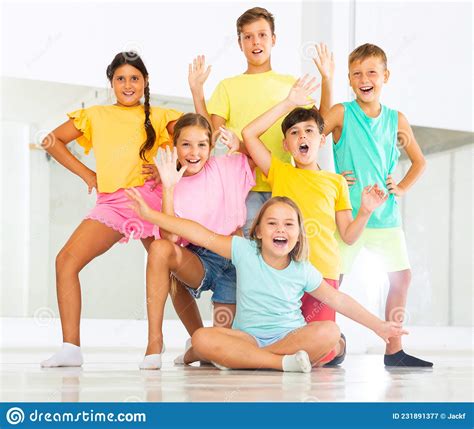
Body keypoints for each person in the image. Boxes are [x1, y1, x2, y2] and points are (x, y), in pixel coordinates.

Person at [126, 191, 407, 373]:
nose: (280, 229)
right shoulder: (244, 251)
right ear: (258, 231)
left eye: (289, 224)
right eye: (272, 223)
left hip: (289, 337)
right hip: (247, 336)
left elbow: (339, 300)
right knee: (201, 337)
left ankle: (246, 359)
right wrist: (151, 216)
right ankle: (278, 363)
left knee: (330, 332)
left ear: (298, 233)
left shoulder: (302, 269)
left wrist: (379, 326)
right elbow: (199, 234)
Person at [40, 52, 181, 368]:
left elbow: (196, 138)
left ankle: (178, 343)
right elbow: (52, 141)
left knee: (170, 270)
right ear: (111, 83)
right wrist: (87, 174)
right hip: (112, 203)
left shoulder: (160, 115)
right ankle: (70, 348)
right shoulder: (95, 114)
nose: (128, 84)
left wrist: (167, 169)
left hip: (150, 199)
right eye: (121, 78)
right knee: (66, 261)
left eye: (135, 78)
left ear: (145, 82)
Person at [242, 76, 388, 365]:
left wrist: (366, 211)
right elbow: (248, 134)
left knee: (322, 351)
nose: (302, 137)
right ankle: (278, 355)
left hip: (322, 274)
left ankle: (336, 344)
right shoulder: (280, 171)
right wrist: (288, 102)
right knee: (291, 340)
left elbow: (347, 235)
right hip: (285, 273)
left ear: (321, 140)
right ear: (286, 144)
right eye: (294, 133)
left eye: (309, 131)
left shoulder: (335, 182)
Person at [322, 43, 432, 367]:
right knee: (331, 281)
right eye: (356, 74)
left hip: (385, 217)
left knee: (402, 277)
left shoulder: (397, 119)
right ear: (349, 79)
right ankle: (323, 344)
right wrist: (331, 178)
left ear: (386, 76)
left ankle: (394, 349)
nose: (364, 78)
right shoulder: (342, 112)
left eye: (372, 72)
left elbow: (419, 162)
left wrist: (400, 187)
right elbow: (310, 138)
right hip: (349, 214)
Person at [188, 6, 334, 236]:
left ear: (273, 39)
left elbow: (321, 124)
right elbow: (212, 135)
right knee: (248, 254)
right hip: (243, 188)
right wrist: (197, 92)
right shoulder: (228, 86)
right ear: (240, 43)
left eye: (262, 35)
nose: (256, 42)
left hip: (284, 185)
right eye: (248, 37)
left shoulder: (290, 84)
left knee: (283, 253)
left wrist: (327, 79)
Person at [139, 114, 255, 370]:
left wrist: (241, 145)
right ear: (174, 145)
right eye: (186, 145)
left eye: (202, 145)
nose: (194, 153)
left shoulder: (228, 165)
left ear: (211, 148)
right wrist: (169, 188)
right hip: (199, 260)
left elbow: (262, 159)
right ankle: (154, 341)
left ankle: (197, 347)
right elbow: (169, 238)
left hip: (235, 259)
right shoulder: (170, 182)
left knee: (218, 353)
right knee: (160, 249)